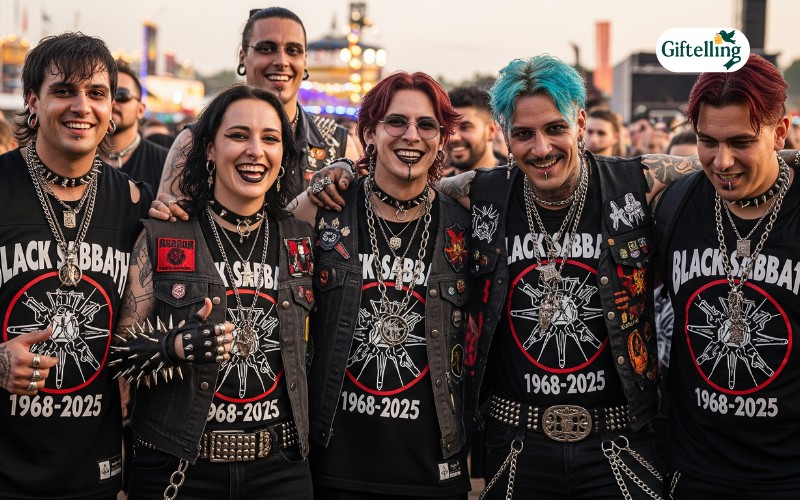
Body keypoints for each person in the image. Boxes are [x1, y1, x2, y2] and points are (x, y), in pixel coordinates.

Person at [309, 55, 700, 499]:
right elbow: (406, 183)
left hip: (620, 444)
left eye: (555, 128)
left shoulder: (638, 183)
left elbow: (725, 160)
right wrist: (343, 171)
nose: (541, 148)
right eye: (523, 134)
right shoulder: (480, 193)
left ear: (581, 123)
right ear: (504, 136)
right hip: (517, 444)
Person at [113, 84, 315, 499]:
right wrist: (175, 346)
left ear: (283, 154)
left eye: (270, 138)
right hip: (178, 465)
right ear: (208, 148)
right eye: (238, 135)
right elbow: (117, 354)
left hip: (281, 469)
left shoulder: (303, 239)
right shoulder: (164, 233)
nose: (255, 150)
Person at [292, 71, 472, 499]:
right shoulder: (323, 211)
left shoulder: (466, 223)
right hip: (333, 465)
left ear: (442, 139)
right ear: (368, 133)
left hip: (433, 468)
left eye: (427, 125)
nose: (412, 135)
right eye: (396, 122)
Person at [0, 32, 152, 499]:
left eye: (97, 93)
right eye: (64, 90)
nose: (81, 106)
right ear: (33, 101)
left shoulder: (135, 203)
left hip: (95, 472)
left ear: (111, 110)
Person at [655, 54, 800, 498]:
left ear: (779, 132)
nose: (722, 161)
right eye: (707, 142)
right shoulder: (673, 204)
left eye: (740, 142)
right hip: (694, 470)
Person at [157, 7, 358, 203]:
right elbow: (173, 225)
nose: (281, 61)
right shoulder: (195, 139)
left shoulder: (338, 144)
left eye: (293, 50)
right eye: (266, 49)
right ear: (242, 57)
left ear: (305, 60)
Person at [99, 63, 168, 192]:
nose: (112, 102)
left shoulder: (165, 162)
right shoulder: (75, 158)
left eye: (122, 95)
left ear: (141, 110)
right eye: (101, 94)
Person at [446, 85, 500, 175]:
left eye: (465, 127)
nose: (453, 138)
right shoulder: (435, 187)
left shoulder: (518, 183)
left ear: (491, 130)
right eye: (448, 128)